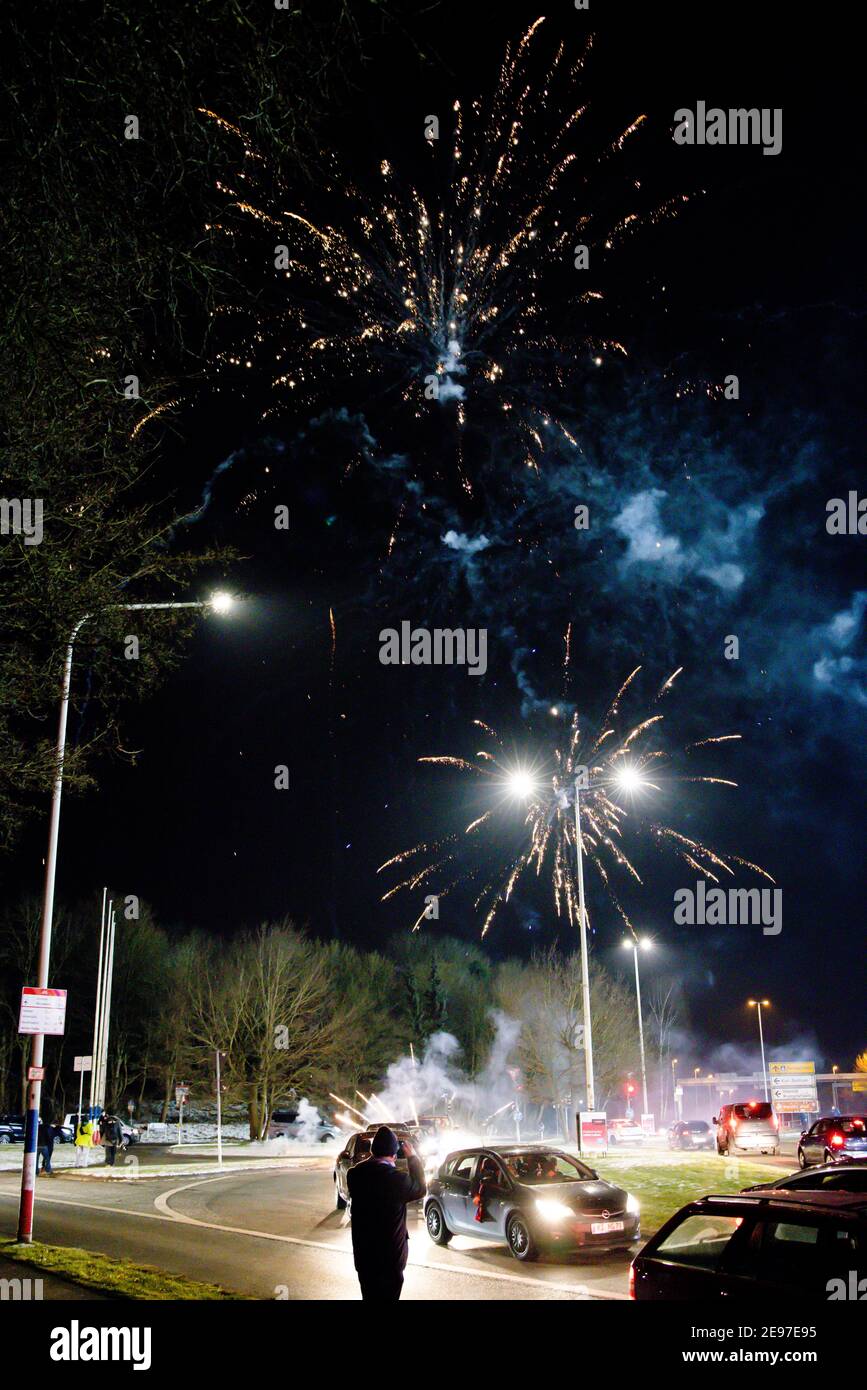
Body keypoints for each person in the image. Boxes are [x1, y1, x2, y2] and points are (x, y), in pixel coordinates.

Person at [346, 1126, 425, 1301]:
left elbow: (367, 1170)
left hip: (364, 1255)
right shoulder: (398, 1180)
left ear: (372, 1150)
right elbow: (420, 1188)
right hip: (390, 1258)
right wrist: (413, 1158)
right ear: (394, 1155)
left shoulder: (354, 1175)